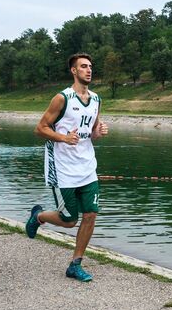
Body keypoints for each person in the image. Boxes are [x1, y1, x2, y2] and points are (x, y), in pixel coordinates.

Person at [25, 53, 109, 282]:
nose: (88, 70)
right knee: (70, 220)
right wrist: (63, 137)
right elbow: (40, 128)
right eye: (83, 66)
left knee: (90, 215)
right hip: (62, 168)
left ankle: (75, 264)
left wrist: (97, 133)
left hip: (87, 166)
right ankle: (39, 216)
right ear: (74, 71)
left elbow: (90, 134)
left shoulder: (96, 99)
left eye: (90, 66)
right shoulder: (62, 98)